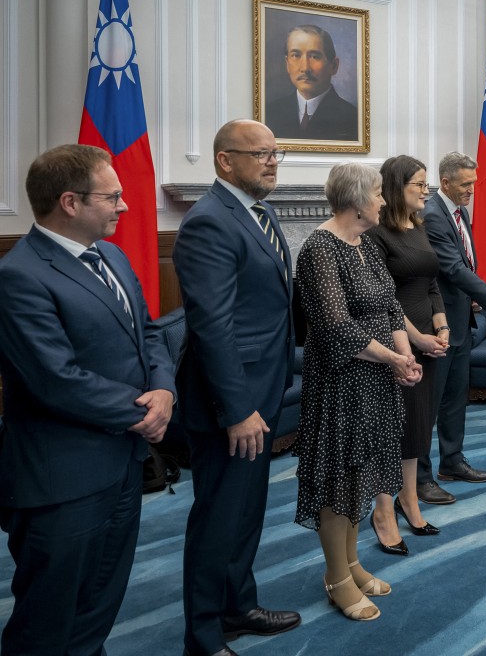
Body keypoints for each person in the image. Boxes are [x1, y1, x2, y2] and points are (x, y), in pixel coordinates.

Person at [0, 144, 176, 655]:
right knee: (47, 619)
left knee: (100, 599)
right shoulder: (20, 276)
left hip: (121, 464)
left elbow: (149, 332)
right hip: (63, 480)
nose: (125, 207)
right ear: (71, 202)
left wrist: (164, 390)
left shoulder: (112, 254)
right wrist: (145, 413)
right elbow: (56, 379)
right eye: (112, 196)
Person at [174, 120, 300, 656]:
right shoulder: (209, 222)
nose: (273, 163)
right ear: (225, 161)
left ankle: (238, 605)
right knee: (218, 518)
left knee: (246, 511)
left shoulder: (262, 213)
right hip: (232, 404)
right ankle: (203, 636)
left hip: (262, 391)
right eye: (262, 154)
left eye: (277, 154)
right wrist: (238, 408)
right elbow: (213, 327)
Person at [294, 161, 422, 621]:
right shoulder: (319, 249)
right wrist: (392, 359)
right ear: (355, 199)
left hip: (376, 379)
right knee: (340, 477)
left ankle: (351, 563)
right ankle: (336, 577)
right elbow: (333, 327)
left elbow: (390, 309)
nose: (385, 200)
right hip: (341, 382)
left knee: (363, 472)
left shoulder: (365, 244)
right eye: (378, 193)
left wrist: (404, 355)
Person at [417, 152, 486, 505]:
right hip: (437, 325)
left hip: (461, 321)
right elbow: (452, 269)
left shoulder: (459, 212)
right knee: (429, 404)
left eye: (473, 183)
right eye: (466, 184)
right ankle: (420, 476)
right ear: (446, 182)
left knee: (455, 398)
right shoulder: (432, 215)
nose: (472, 190)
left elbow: (466, 262)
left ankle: (452, 461)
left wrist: (476, 299)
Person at [366, 155, 448, 551]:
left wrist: (443, 326)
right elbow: (383, 300)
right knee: (393, 429)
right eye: (419, 183)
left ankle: (409, 499)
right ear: (397, 187)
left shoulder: (419, 225)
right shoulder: (376, 233)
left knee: (418, 426)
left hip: (429, 341)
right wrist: (416, 339)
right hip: (397, 342)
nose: (425, 190)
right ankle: (383, 510)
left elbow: (432, 284)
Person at [265, 24, 357, 142]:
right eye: (296, 55)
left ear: (334, 66)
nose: (305, 68)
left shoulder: (352, 118)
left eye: (314, 56)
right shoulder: (270, 113)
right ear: (287, 64)